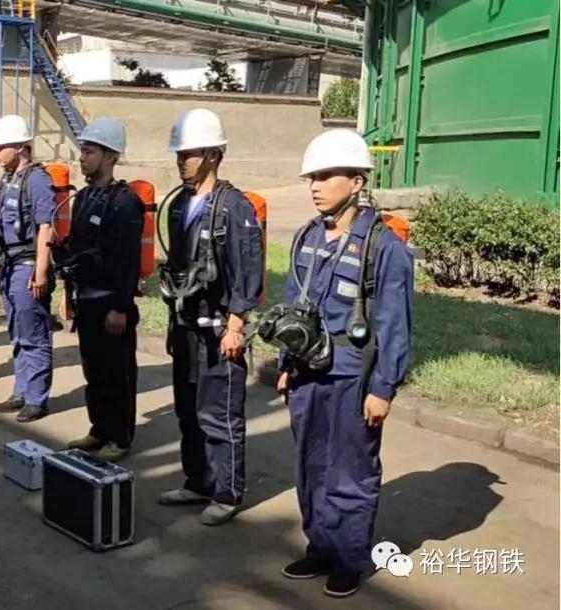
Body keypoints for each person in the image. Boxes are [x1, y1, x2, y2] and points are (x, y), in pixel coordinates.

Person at [276, 129, 413, 598]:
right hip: (306, 373)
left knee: (351, 471)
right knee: (311, 467)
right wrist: (285, 363)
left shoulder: (384, 247)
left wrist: (383, 388)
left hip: (353, 376)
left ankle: (349, 560)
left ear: (356, 182)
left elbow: (395, 324)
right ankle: (320, 548)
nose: (315, 186)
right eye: (312, 177)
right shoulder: (307, 236)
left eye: (326, 176)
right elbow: (293, 307)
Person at [157, 109, 264, 526]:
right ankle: (198, 482)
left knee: (219, 415)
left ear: (214, 155)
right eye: (178, 154)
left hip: (219, 330)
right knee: (187, 411)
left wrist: (236, 325)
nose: (180, 161)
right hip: (186, 325)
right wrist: (173, 323)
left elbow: (247, 271)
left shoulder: (234, 207)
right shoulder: (179, 206)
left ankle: (226, 492)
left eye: (188, 153)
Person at [58, 117, 144, 462]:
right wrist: (68, 294)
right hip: (87, 299)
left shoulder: (125, 202)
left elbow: (129, 260)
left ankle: (119, 437)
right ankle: (99, 429)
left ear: (111, 156)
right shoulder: (84, 198)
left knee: (116, 374)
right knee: (93, 371)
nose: (82, 157)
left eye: (89, 151)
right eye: (82, 150)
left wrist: (121, 307)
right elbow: (77, 251)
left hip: (111, 303)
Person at [0, 115, 55, 422]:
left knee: (34, 334)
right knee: (17, 332)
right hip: (9, 264)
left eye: (2, 147)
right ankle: (22, 391)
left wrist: (40, 272)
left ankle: (37, 398)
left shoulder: (37, 180)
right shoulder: (8, 179)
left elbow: (45, 228)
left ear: (20, 147)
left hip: (28, 265)